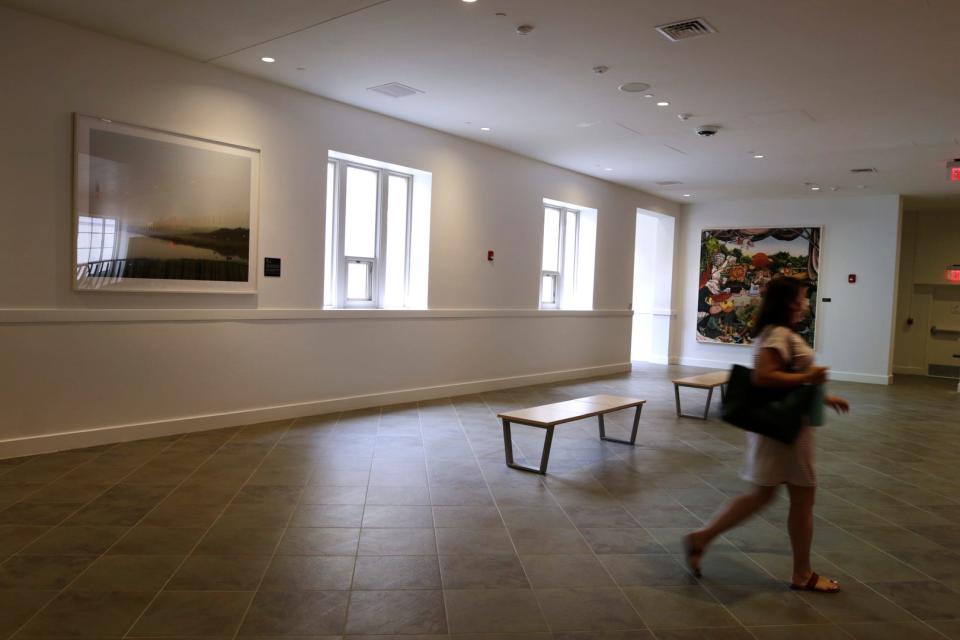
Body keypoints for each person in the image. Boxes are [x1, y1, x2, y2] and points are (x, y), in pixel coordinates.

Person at [683, 276, 850, 592]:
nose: (806, 303)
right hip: (783, 434)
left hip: (784, 430)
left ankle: (701, 538)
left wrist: (824, 396)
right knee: (800, 496)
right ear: (789, 302)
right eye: (802, 297)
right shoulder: (777, 335)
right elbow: (764, 377)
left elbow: (787, 383)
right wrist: (809, 376)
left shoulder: (780, 334)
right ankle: (802, 574)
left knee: (766, 494)